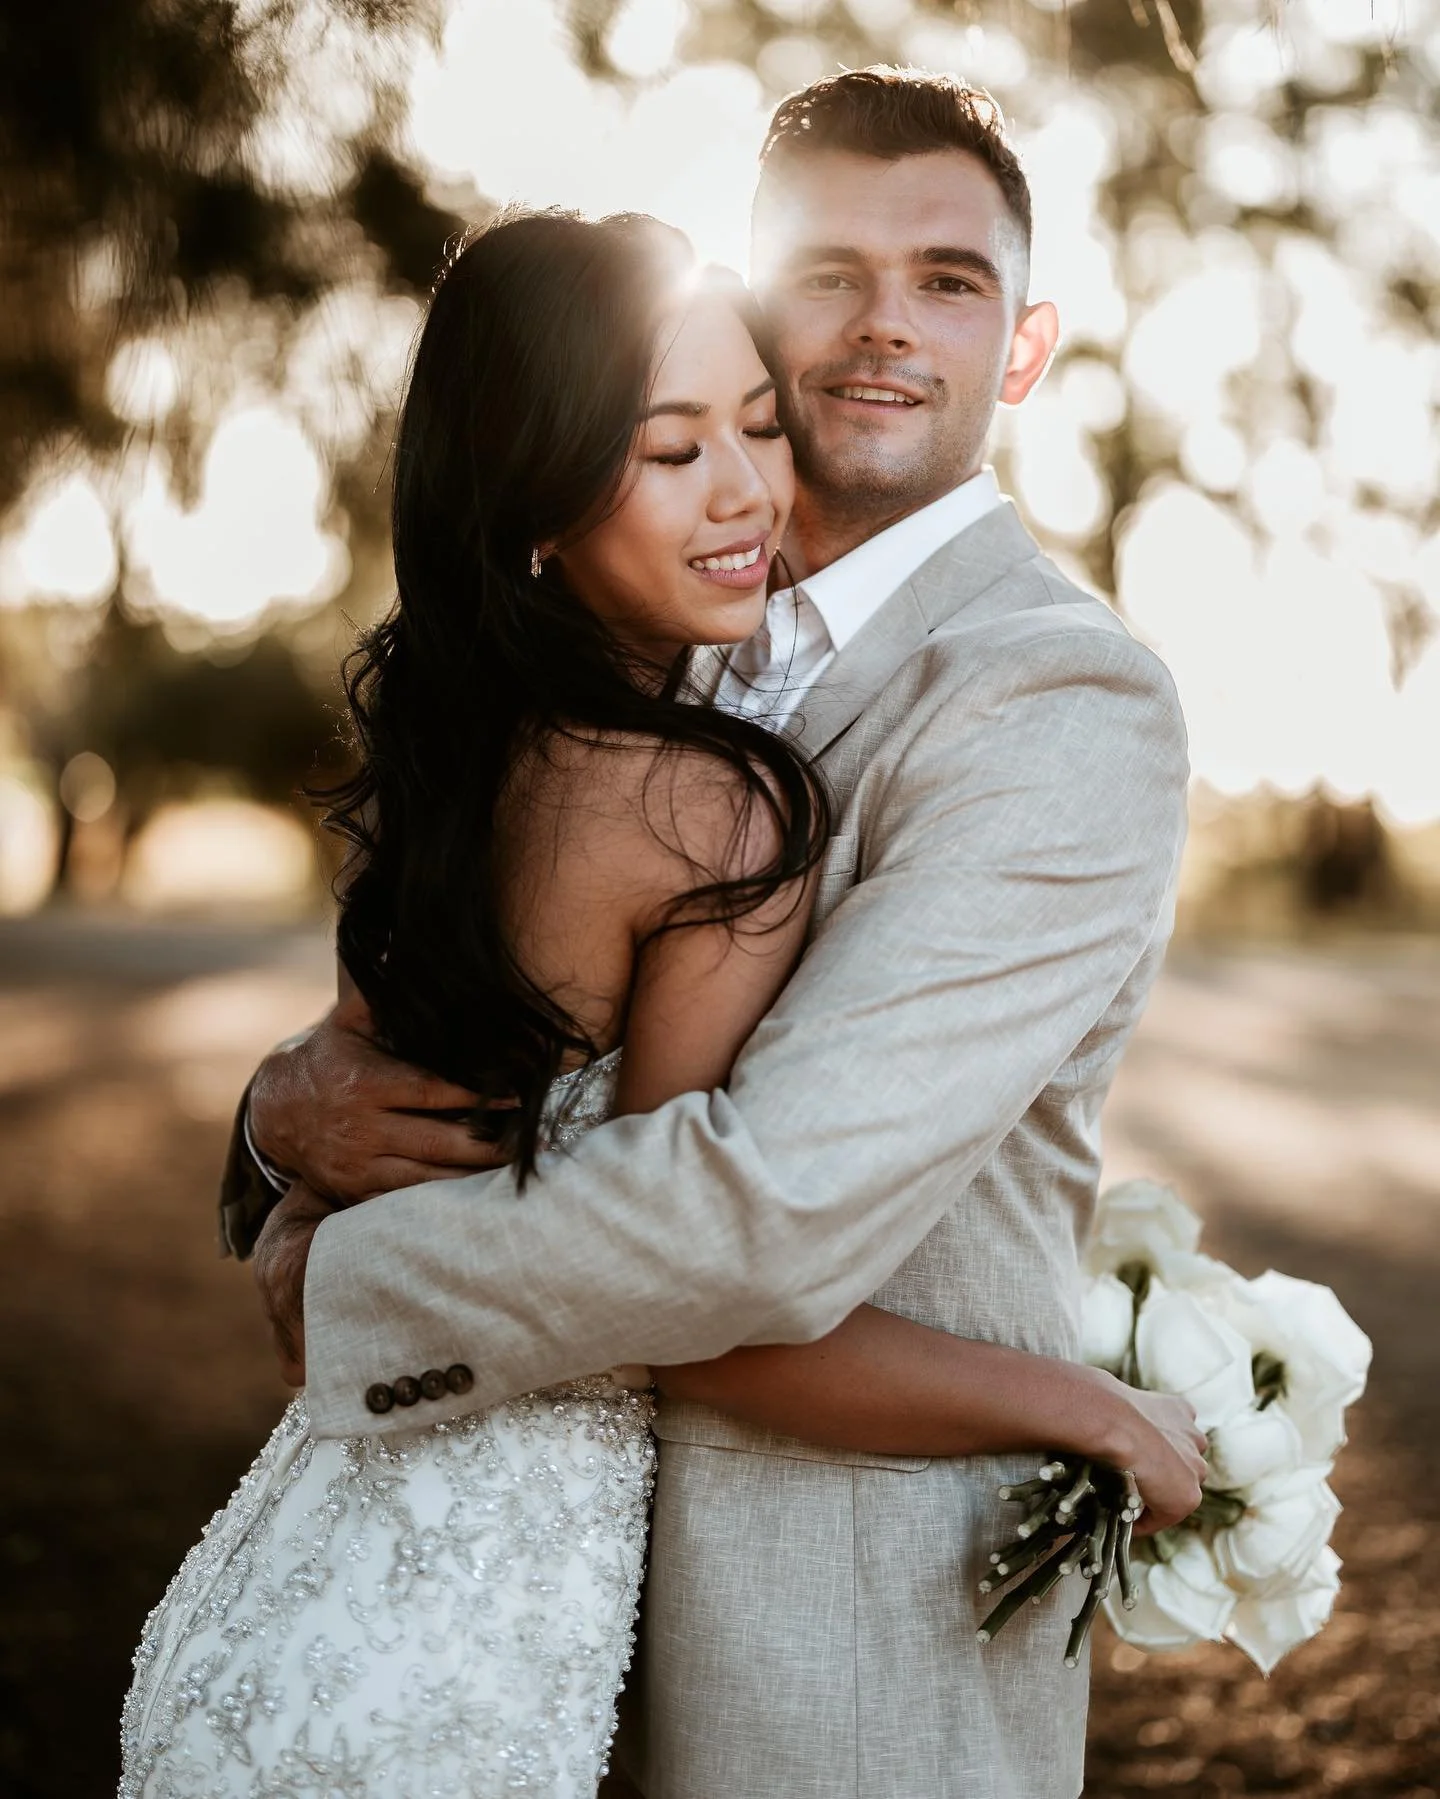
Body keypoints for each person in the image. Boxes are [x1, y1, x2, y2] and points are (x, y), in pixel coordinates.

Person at [122, 203, 1201, 1798]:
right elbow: (714, 1280)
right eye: (671, 448)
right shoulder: (712, 809)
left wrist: (298, 1182)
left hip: (310, 1571)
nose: (748, 489)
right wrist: (1086, 1405)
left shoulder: (459, 747)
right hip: (488, 1615)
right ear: (542, 501)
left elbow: (389, 1101)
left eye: (754, 427)